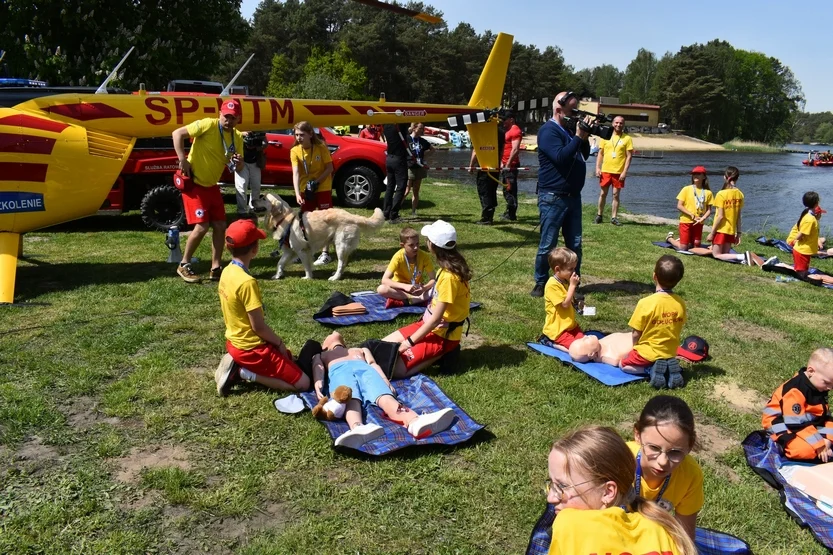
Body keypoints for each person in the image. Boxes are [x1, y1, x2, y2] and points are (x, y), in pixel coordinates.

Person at [546, 426, 697, 555]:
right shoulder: (667, 530)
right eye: (552, 484)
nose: (551, 498)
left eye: (562, 487)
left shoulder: (569, 524)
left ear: (608, 492)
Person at [214, 219, 311, 397]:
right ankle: (243, 372)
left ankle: (239, 364)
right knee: (303, 383)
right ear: (255, 249)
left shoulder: (227, 271)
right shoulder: (247, 282)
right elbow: (258, 327)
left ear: (229, 247)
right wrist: (279, 343)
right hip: (252, 350)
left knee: (292, 361)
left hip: (234, 343)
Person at [312, 332, 456, 449]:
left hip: (366, 371)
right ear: (325, 346)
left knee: (384, 396)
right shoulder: (321, 355)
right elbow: (317, 369)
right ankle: (357, 427)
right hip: (340, 373)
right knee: (349, 398)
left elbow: (373, 364)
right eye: (330, 334)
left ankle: (413, 421)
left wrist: (384, 379)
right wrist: (318, 382)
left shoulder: (360, 349)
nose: (335, 333)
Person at [383, 220, 471, 378]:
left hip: (442, 335)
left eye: (427, 240)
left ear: (432, 245)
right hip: (427, 325)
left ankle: (445, 353)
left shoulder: (449, 278)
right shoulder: (445, 270)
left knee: (393, 370)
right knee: (383, 347)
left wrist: (408, 342)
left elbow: (436, 320)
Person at [172, 98, 244, 283]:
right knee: (202, 226)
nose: (228, 120)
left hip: (212, 186)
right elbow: (177, 133)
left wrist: (239, 163)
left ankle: (216, 268)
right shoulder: (207, 124)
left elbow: (240, 167)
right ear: (220, 114)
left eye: (233, 117)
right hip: (195, 184)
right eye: (226, 116)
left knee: (220, 226)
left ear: (238, 119)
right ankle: (184, 264)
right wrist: (182, 159)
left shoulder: (237, 137)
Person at [532, 91, 591, 297]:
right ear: (559, 110)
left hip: (574, 196)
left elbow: (583, 153)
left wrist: (583, 137)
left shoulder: (568, 130)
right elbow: (561, 157)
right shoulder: (548, 131)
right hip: (553, 196)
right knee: (548, 242)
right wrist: (577, 136)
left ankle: (573, 282)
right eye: (571, 111)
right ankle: (540, 282)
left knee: (575, 243)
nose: (574, 115)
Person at [630, 395, 704, 542]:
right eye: (653, 448)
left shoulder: (690, 475)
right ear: (637, 435)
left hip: (651, 539)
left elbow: (685, 535)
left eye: (675, 452)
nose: (663, 462)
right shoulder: (617, 461)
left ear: (690, 445)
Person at [763, 348, 833, 461]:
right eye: (827, 382)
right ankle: (780, 444)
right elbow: (795, 423)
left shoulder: (819, 386)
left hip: (806, 423)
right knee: (803, 451)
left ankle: (821, 451)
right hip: (781, 423)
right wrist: (819, 444)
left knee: (823, 440)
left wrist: (828, 440)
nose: (830, 388)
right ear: (811, 371)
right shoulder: (795, 390)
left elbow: (826, 415)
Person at [621, 255, 686, 374]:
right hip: (670, 352)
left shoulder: (645, 303)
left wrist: (634, 348)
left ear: (654, 276)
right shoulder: (680, 303)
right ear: (678, 280)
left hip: (647, 353)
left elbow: (636, 334)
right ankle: (666, 366)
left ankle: (650, 369)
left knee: (623, 365)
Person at [291, 121, 334, 266]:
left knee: (326, 220)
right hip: (306, 189)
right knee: (304, 221)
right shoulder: (295, 150)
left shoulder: (321, 147)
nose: (299, 138)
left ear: (310, 134)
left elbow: (329, 168)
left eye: (302, 135)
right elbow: (296, 173)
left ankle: (325, 253)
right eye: (296, 135)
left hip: (322, 187)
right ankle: (305, 250)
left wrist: (317, 182)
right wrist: (297, 193)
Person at [377, 226, 436, 308]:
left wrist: (424, 288)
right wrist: (405, 286)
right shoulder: (398, 257)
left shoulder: (424, 256)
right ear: (402, 245)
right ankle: (416, 299)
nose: (416, 247)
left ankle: (408, 300)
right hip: (400, 290)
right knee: (381, 289)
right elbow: (384, 280)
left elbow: (433, 279)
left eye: (417, 244)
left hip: (417, 289)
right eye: (411, 245)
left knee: (439, 288)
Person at [538, 247, 583, 351]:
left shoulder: (565, 281)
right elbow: (565, 304)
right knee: (576, 349)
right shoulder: (552, 285)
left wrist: (579, 305)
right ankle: (549, 342)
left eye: (574, 268)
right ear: (557, 269)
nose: (574, 272)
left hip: (570, 326)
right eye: (570, 269)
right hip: (558, 329)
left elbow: (570, 300)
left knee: (584, 342)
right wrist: (572, 286)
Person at [594, 115, 633, 226]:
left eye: (621, 123)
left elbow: (629, 156)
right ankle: (599, 215)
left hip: (618, 172)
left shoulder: (627, 138)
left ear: (623, 124)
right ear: (612, 124)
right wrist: (597, 167)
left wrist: (625, 171)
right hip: (606, 170)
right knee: (603, 193)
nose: (618, 125)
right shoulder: (605, 136)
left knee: (616, 195)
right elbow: (600, 153)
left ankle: (614, 217)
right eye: (616, 122)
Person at [666, 166, 713, 251]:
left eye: (698, 174)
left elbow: (709, 210)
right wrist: (691, 215)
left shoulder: (708, 192)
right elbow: (679, 206)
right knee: (683, 248)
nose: (695, 176)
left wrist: (703, 218)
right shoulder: (686, 189)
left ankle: (685, 241)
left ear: (704, 177)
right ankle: (670, 238)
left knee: (696, 245)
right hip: (686, 221)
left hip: (698, 222)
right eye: (694, 174)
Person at [469, 120, 506, 225]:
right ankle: (490, 214)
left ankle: (486, 218)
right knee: (492, 190)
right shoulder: (501, 132)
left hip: (484, 167)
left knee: (484, 191)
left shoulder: (483, 132)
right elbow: (502, 149)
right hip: (495, 166)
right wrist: (499, 162)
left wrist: (471, 165)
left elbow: (476, 150)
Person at [705, 166, 744, 262]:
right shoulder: (740, 194)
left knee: (716, 255)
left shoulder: (721, 194)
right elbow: (738, 217)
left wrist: (712, 233)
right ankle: (741, 257)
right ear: (737, 178)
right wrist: (738, 234)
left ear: (724, 177)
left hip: (721, 229)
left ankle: (742, 256)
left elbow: (720, 216)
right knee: (725, 254)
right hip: (731, 231)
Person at [787, 191, 826, 277]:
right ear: (816, 203)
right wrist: (794, 242)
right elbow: (800, 234)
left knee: (804, 271)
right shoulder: (809, 219)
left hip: (804, 251)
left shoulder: (809, 215)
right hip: (801, 251)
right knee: (802, 274)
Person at [382, 123, 411, 224]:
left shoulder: (386, 126)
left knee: (390, 187)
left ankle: (386, 213)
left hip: (389, 158)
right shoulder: (399, 127)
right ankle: (393, 215)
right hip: (399, 159)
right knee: (401, 187)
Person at [234, 131, 267, 216]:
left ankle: (253, 208)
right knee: (241, 186)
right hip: (242, 160)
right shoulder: (239, 129)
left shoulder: (259, 131)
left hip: (255, 161)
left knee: (256, 186)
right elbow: (231, 134)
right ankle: (242, 211)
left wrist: (257, 147)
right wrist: (241, 134)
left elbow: (265, 143)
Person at [404, 123, 434, 217]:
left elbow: (433, 150)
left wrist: (423, 157)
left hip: (420, 167)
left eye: (423, 128)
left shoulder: (422, 141)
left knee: (416, 190)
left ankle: (413, 211)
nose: (422, 130)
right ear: (414, 128)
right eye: (420, 128)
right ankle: (395, 210)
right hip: (410, 167)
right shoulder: (407, 139)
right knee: (407, 189)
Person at [500, 110, 523, 221]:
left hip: (511, 165)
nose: (503, 121)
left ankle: (511, 215)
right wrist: (502, 162)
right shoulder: (507, 130)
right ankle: (509, 212)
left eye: (504, 119)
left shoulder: (515, 130)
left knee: (510, 189)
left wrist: (508, 164)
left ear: (511, 119)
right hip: (505, 164)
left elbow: (515, 149)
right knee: (506, 189)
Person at [567, 332, 633, 366]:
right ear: (591, 354)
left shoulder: (599, 343)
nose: (585, 336)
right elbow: (616, 361)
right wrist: (602, 359)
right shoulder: (611, 354)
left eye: (582, 338)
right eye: (585, 340)